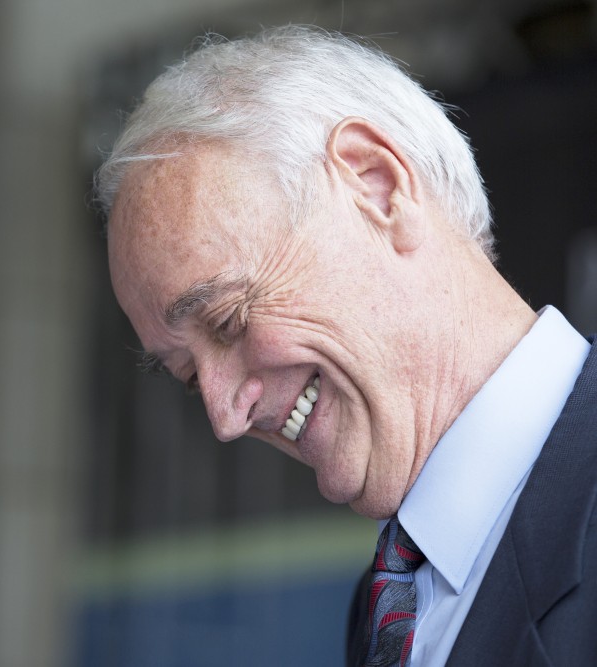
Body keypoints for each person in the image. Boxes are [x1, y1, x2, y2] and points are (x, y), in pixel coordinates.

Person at [95, 25, 597, 666]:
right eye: (190, 376)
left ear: (377, 185)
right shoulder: (387, 606)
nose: (223, 417)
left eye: (227, 320)